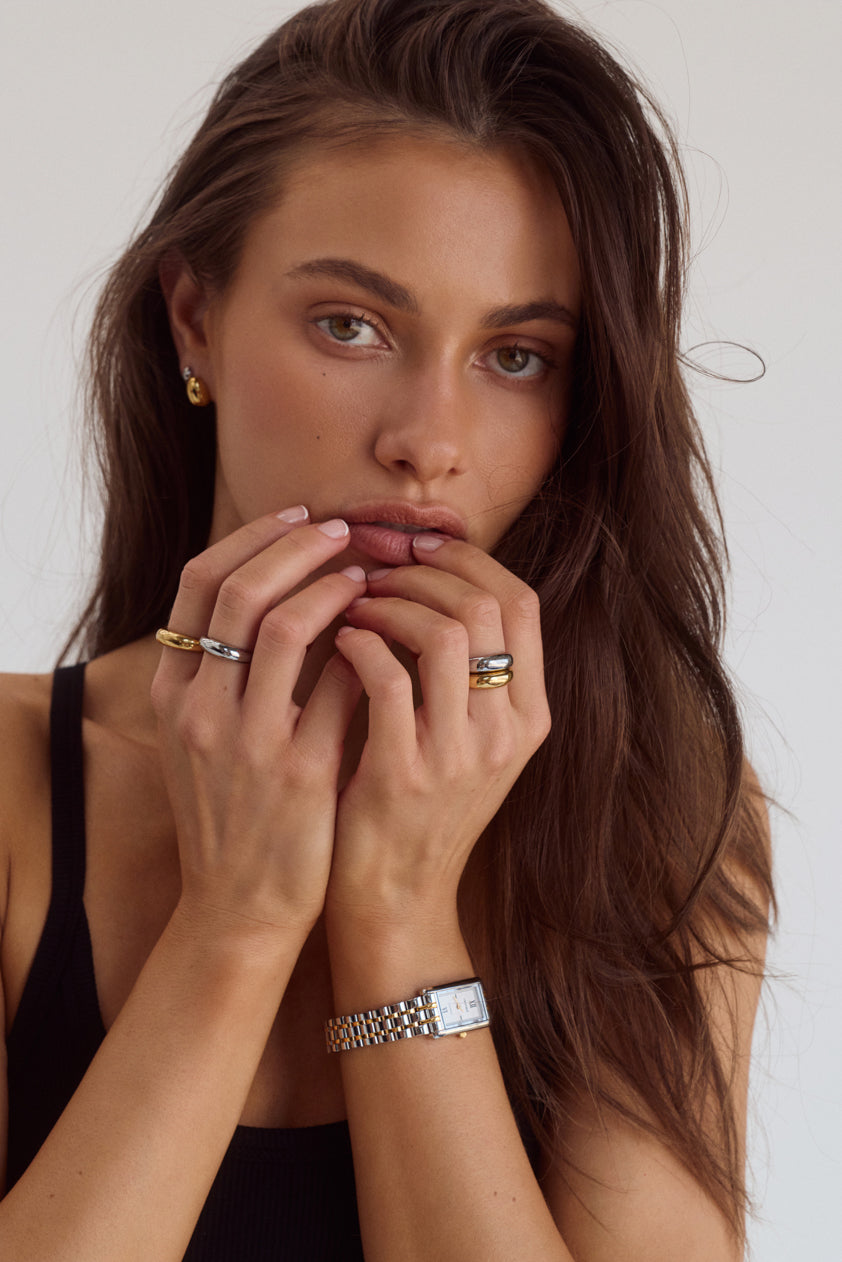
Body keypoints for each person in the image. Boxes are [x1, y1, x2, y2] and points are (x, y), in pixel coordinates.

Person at [0, 0, 774, 1257]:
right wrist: (238, 919)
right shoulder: (16, 783)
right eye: (350, 326)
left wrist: (400, 911)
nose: (428, 441)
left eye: (515, 354)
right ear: (193, 316)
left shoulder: (658, 820)